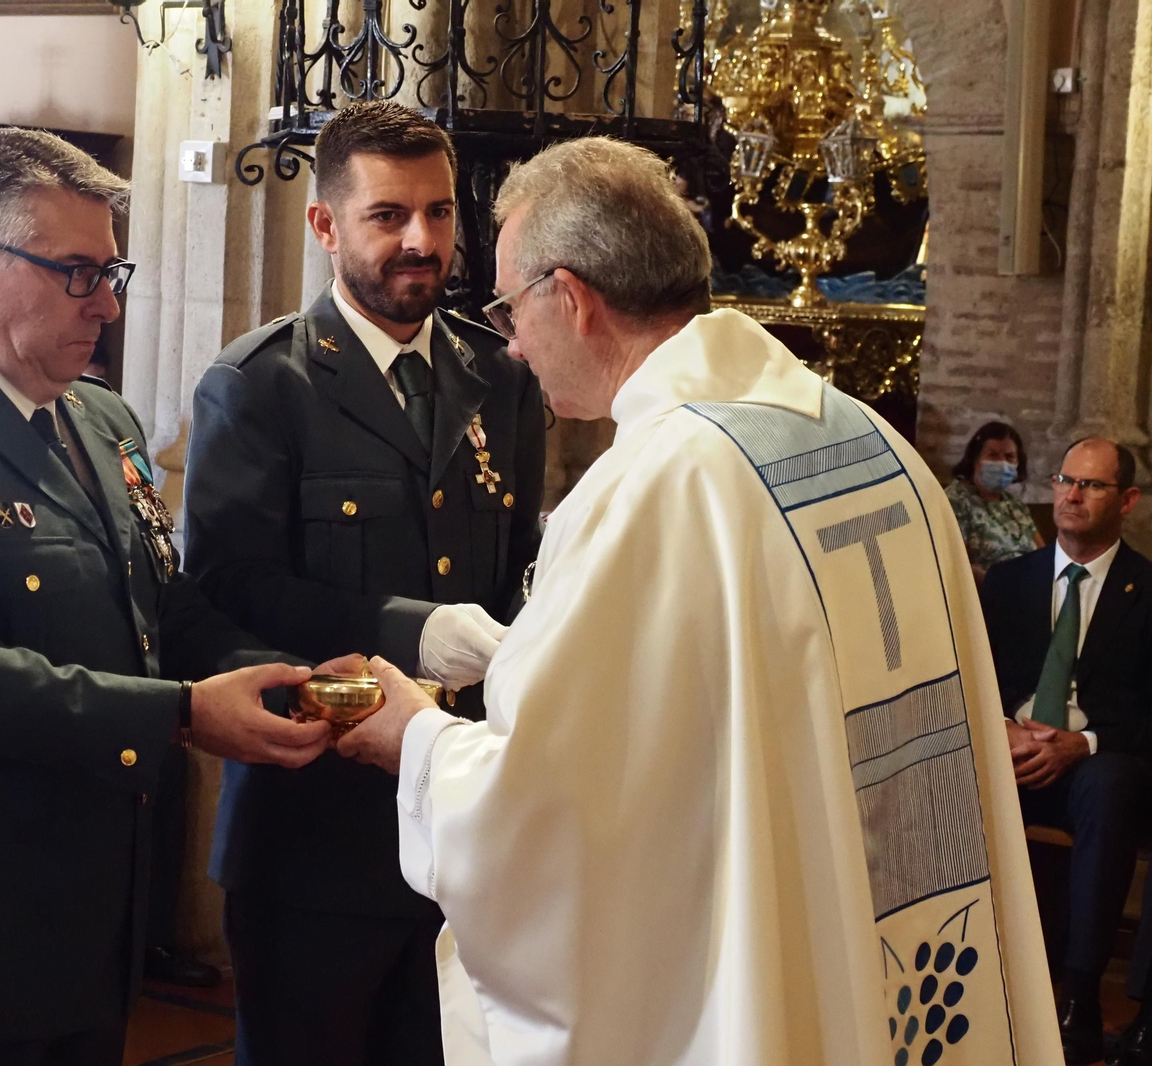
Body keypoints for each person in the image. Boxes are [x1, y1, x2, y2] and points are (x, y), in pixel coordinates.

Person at [340, 137, 1062, 1066]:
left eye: (512, 305)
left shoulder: (663, 479)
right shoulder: (866, 437)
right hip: (895, 934)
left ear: (573, 297)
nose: (511, 341)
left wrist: (415, 740)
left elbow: (550, 803)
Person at [0, 127, 338, 1066]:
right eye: (79, 272)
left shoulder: (101, 418)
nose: (110, 305)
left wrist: (286, 678)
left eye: (112, 271)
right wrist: (182, 714)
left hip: (84, 915)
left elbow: (162, 607)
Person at [184, 101, 544, 1066]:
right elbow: (223, 592)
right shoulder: (259, 385)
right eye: (389, 216)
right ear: (325, 226)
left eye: (438, 213)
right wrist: (409, 632)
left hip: (462, 831)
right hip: (315, 842)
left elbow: (516, 575)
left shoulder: (498, 378)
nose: (420, 241)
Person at [981, 437, 1152, 1066]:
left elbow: (1146, 713)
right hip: (1008, 750)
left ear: (1127, 499)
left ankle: (1080, 998)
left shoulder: (1146, 589)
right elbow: (970, 674)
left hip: (1095, 763)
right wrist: (1002, 725)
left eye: (1092, 485)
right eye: (1065, 480)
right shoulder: (1008, 581)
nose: (1073, 494)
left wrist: (1083, 743)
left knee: (1110, 786)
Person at [945, 420, 1044, 580]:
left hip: (1032, 589)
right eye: (993, 455)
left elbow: (1043, 554)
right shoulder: (956, 500)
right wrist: (997, 587)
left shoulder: (1015, 504)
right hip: (989, 594)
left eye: (1009, 457)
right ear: (975, 459)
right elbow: (955, 564)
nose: (1002, 463)